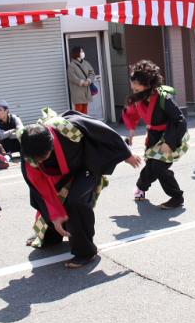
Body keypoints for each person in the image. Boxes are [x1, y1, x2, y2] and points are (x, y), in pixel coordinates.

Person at [20, 108, 141, 267]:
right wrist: (56, 215)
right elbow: (42, 190)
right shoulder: (28, 153)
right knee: (49, 205)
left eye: (45, 156)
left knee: (75, 202)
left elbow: (104, 131)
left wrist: (126, 154)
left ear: (51, 142)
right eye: (38, 159)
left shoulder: (68, 127)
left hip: (86, 163)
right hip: (60, 173)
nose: (40, 161)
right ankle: (50, 236)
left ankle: (85, 252)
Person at [123, 60, 188, 209]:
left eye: (137, 90)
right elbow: (130, 113)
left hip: (170, 135)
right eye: (133, 89)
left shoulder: (163, 97)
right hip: (153, 136)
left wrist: (169, 142)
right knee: (152, 166)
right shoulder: (139, 98)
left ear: (149, 85)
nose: (135, 92)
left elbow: (179, 120)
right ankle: (141, 186)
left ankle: (177, 197)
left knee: (159, 166)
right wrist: (132, 130)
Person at [67, 46, 96, 114]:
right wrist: (82, 82)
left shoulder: (86, 63)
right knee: (79, 109)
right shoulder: (72, 65)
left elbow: (92, 72)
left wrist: (88, 80)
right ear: (77, 53)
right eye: (81, 51)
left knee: (85, 108)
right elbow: (72, 77)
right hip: (77, 91)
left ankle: (84, 122)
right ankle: (79, 123)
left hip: (86, 89)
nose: (83, 53)